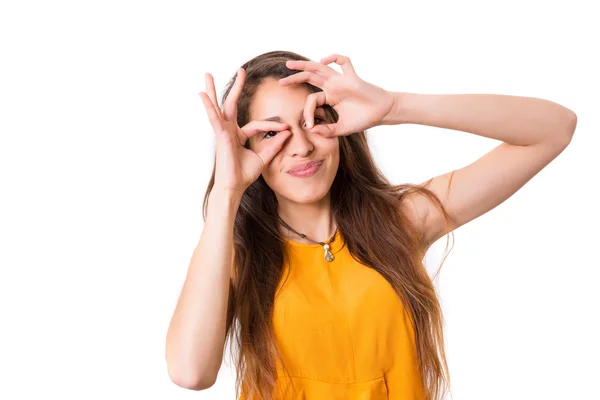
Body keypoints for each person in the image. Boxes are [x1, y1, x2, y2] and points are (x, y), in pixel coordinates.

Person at [165, 50, 577, 400]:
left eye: (315, 120)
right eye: (272, 132)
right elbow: (190, 373)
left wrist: (395, 107)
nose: (302, 146)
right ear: (245, 146)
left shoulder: (401, 221)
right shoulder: (232, 252)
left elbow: (554, 129)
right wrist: (226, 192)